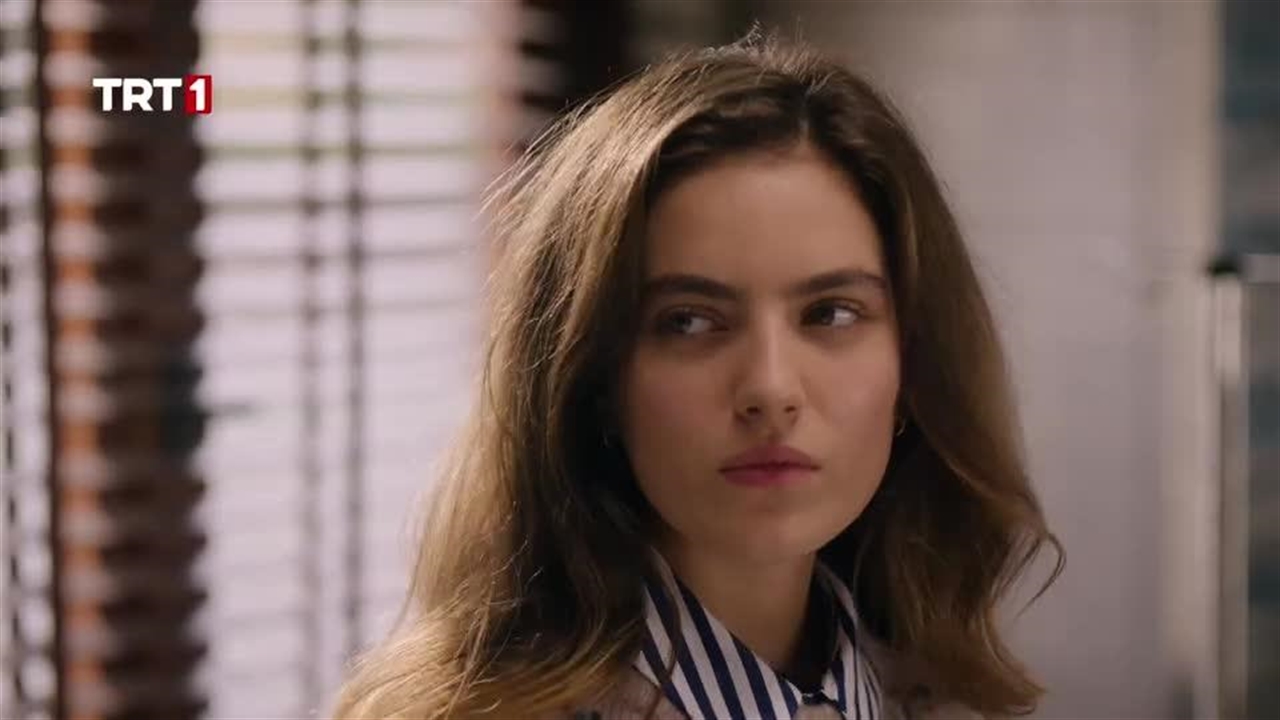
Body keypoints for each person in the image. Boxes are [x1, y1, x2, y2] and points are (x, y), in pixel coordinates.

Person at [332, 32, 1062, 720]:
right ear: (593, 379)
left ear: (914, 366)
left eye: (831, 314)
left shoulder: (941, 701)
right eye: (689, 322)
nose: (771, 389)